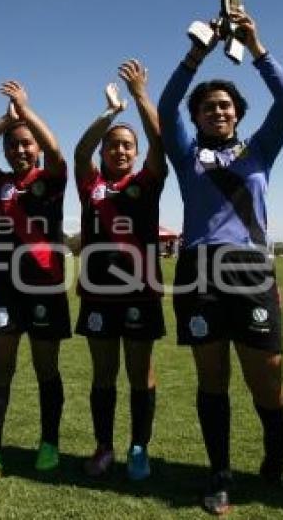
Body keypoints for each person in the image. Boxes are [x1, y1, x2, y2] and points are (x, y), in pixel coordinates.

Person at [158, 7, 283, 514]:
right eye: (208, 108)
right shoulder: (186, 153)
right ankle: (219, 474)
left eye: (225, 106)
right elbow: (167, 101)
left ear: (237, 113)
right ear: (197, 118)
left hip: (250, 270)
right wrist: (199, 51)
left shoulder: (260, 150)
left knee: (267, 376)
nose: (217, 111)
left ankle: (274, 453)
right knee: (212, 378)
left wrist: (255, 47)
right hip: (198, 271)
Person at [0, 80, 69, 482]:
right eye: (14, 145)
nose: (21, 150)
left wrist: (26, 112)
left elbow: (58, 151)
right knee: (0, 372)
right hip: (3, 290)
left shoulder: (54, 178)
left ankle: (49, 443)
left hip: (46, 287)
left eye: (27, 144)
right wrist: (4, 121)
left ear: (37, 147)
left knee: (47, 371)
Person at [74, 60, 167, 481]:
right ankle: (104, 446)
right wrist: (111, 114)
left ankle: (139, 448)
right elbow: (78, 152)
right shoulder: (90, 185)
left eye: (127, 145)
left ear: (135, 152)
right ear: (103, 152)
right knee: (103, 375)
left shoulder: (146, 182)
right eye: (113, 145)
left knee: (139, 374)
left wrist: (141, 95)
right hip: (96, 295)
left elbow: (159, 141)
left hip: (141, 294)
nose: (120, 150)